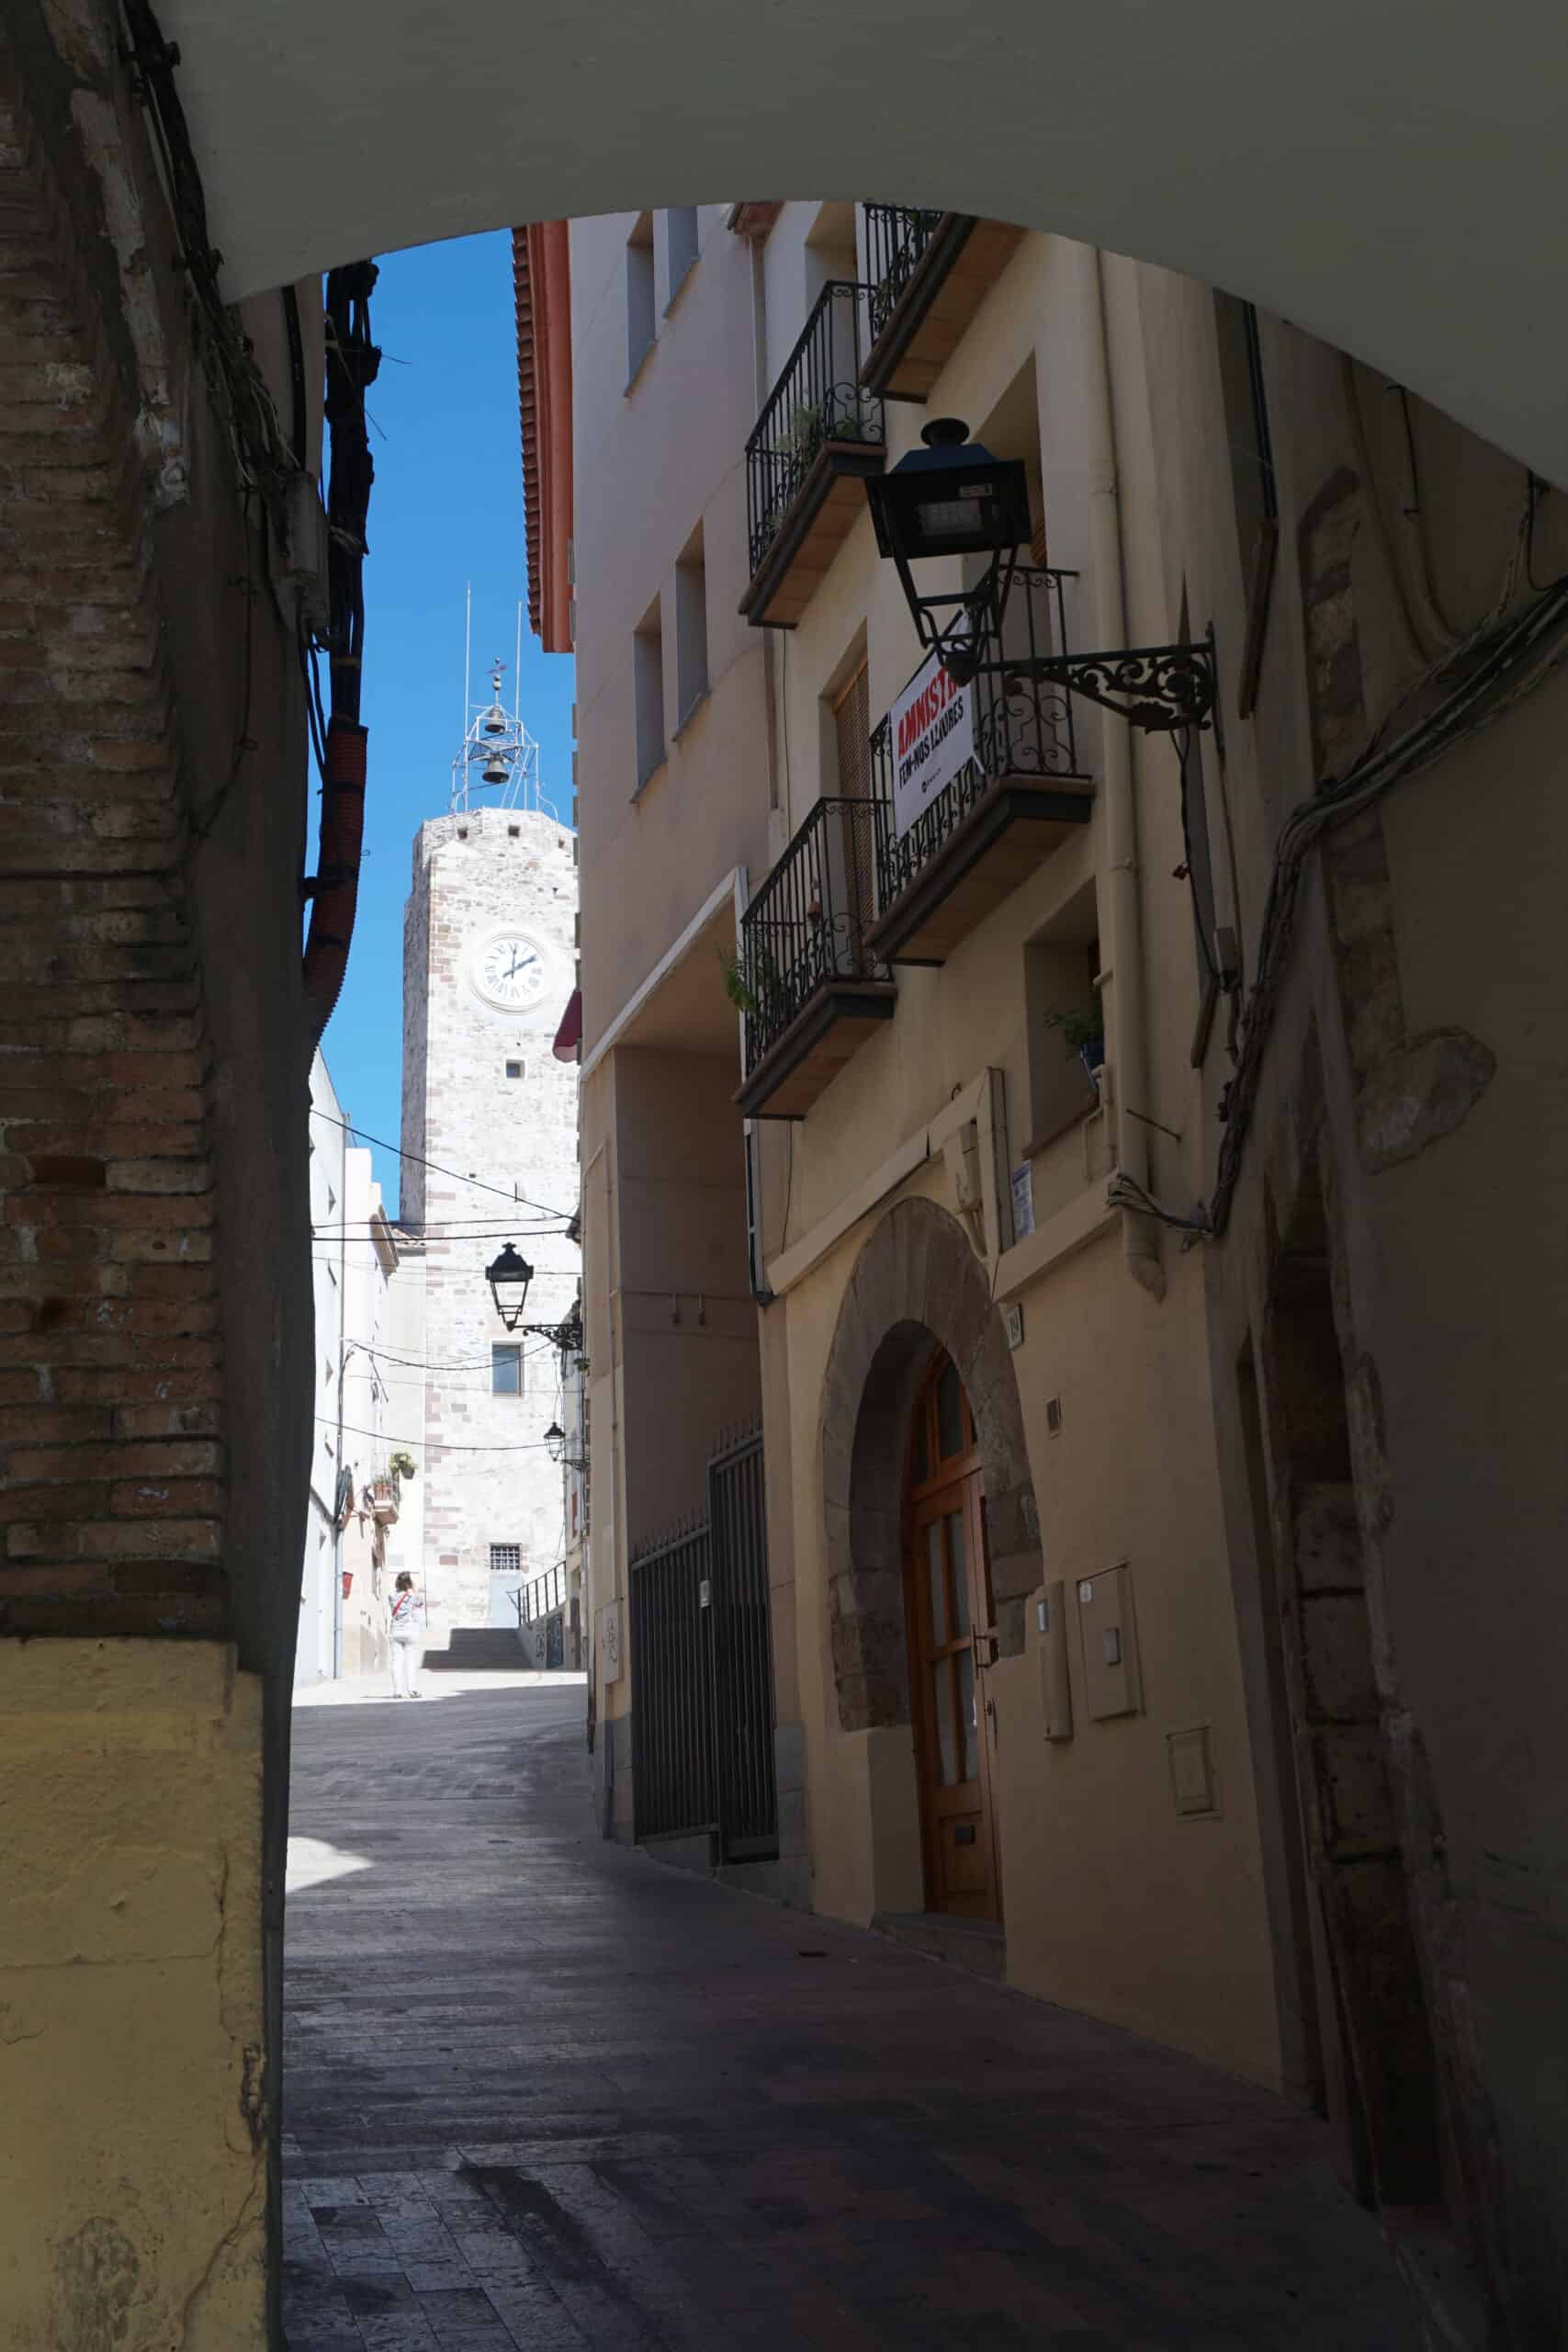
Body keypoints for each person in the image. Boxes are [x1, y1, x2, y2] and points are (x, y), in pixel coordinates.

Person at [389, 1571, 424, 1699]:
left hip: (395, 1631)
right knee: (411, 1661)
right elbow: (420, 1603)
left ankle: (397, 1691)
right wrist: (412, 1589)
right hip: (410, 1631)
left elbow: (394, 1606)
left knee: (396, 1661)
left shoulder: (391, 1595)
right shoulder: (413, 1595)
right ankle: (412, 1690)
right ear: (409, 1582)